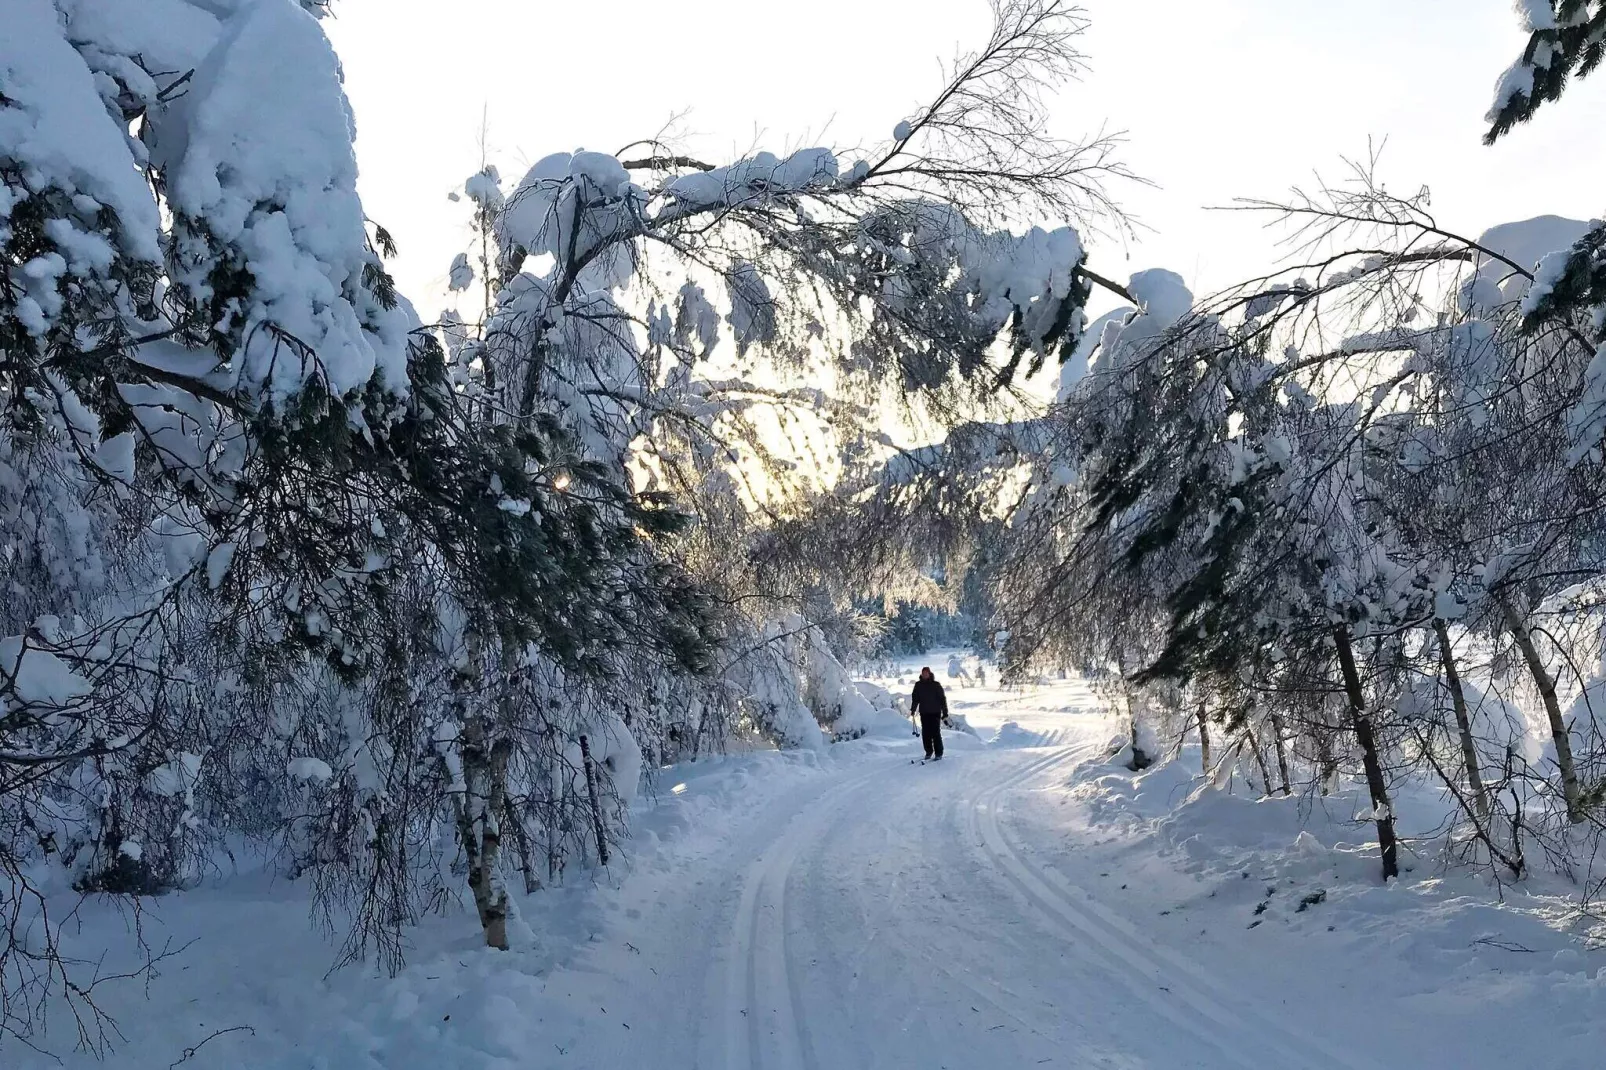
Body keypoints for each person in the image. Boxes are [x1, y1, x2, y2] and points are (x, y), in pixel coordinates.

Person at [910, 666, 948, 761]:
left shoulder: (936, 685)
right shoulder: (918, 685)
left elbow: (942, 699)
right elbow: (915, 699)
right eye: (923, 673)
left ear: (929, 674)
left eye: (926, 673)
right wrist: (913, 709)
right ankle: (928, 751)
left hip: (935, 712)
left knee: (935, 733)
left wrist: (945, 712)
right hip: (924, 712)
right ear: (921, 674)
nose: (924, 675)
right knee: (926, 733)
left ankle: (938, 753)